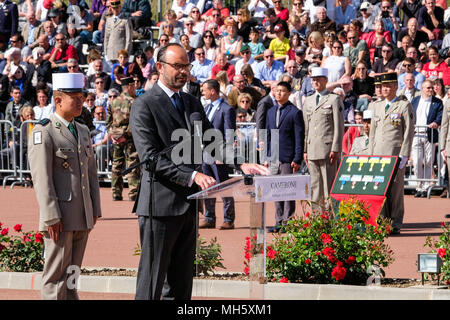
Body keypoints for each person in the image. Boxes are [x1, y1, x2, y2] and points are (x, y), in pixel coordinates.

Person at [129, 43, 268, 300]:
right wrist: (192, 176)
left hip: (189, 204)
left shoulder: (192, 101)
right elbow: (150, 158)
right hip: (158, 206)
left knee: (181, 282)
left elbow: (212, 140)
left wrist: (240, 163)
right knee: (152, 280)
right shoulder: (144, 105)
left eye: (187, 66)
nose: (184, 72)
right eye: (178, 66)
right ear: (159, 67)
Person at [28, 72, 102, 300]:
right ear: (58, 100)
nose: (81, 101)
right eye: (75, 97)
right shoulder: (44, 131)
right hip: (59, 217)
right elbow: (42, 178)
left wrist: (94, 209)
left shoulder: (80, 130)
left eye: (81, 96)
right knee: (55, 277)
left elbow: (90, 173)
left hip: (81, 214)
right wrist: (50, 216)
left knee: (71, 275)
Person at [368, 72, 415, 235]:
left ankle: (395, 221)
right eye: (383, 86)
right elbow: (372, 132)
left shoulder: (403, 105)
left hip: (395, 153)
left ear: (396, 86)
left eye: (388, 86)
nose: (385, 89)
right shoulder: (377, 105)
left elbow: (409, 131)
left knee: (395, 190)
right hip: (378, 154)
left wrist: (405, 154)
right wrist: (370, 153)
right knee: (380, 188)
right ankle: (381, 220)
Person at [265, 81, 304, 233]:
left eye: (282, 91)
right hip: (274, 157)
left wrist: (297, 158)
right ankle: (278, 221)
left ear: (289, 94)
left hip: (288, 158)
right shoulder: (270, 111)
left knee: (287, 191)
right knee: (276, 191)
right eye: (277, 91)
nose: (279, 93)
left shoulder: (295, 112)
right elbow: (268, 134)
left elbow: (299, 137)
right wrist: (267, 156)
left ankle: (288, 222)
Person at [303, 67, 344, 210]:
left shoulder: (334, 99)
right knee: (315, 186)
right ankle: (317, 219)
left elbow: (339, 126)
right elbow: (307, 128)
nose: (315, 82)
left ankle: (330, 218)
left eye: (318, 79)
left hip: (327, 149)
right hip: (312, 148)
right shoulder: (308, 101)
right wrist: (305, 149)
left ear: (326, 80)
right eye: (313, 79)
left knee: (328, 186)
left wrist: (335, 147)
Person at [199, 79, 236, 230]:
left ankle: (228, 218)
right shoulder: (207, 108)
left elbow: (229, 133)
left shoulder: (227, 109)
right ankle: (209, 217)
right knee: (207, 187)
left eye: (205, 90)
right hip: (205, 153)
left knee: (224, 185)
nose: (203, 92)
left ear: (212, 91)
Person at [106, 76, 140, 201]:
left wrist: (113, 135)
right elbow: (137, 123)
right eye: (134, 85)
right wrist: (124, 135)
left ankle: (116, 193)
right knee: (133, 165)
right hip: (130, 138)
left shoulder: (113, 102)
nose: (135, 88)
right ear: (130, 86)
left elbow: (108, 121)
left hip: (117, 138)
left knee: (116, 165)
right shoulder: (135, 102)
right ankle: (133, 193)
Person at [410, 80, 443, 198]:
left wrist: (436, 122)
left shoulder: (437, 102)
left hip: (430, 134)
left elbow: (440, 115)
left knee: (429, 162)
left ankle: (425, 188)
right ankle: (419, 186)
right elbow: (410, 115)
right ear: (422, 88)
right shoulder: (415, 100)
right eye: (428, 88)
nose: (431, 90)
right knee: (417, 161)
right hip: (416, 134)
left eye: (432, 88)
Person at [103, 0, 132, 68]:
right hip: (111, 51)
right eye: (114, 8)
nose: (115, 10)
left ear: (120, 7)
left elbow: (129, 38)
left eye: (117, 7)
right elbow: (106, 37)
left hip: (121, 51)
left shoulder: (125, 20)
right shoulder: (109, 20)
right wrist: (106, 51)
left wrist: (126, 52)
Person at [92, 105, 110, 172]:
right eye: (98, 113)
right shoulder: (92, 123)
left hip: (107, 146)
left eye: (102, 113)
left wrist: (94, 145)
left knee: (100, 148)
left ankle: (101, 171)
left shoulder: (108, 123)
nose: (101, 115)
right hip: (94, 146)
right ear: (94, 115)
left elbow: (106, 140)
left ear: (105, 113)